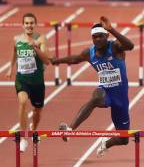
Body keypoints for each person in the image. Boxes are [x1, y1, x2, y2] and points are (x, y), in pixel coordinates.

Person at [50, 16, 134, 156]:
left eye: (100, 37)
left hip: (121, 96)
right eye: (94, 37)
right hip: (105, 90)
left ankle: (106, 143)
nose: (97, 40)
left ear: (106, 36)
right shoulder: (90, 53)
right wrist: (57, 60)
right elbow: (75, 59)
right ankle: (69, 130)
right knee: (95, 98)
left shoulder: (115, 47)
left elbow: (130, 46)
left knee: (124, 139)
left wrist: (112, 29)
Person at [6, 13, 50, 152]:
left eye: (31, 23)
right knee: (23, 102)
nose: (29, 25)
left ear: (34, 25)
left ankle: (33, 130)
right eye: (27, 23)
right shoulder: (16, 39)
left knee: (37, 111)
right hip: (22, 79)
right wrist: (10, 68)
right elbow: (14, 53)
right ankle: (24, 137)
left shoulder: (41, 39)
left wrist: (35, 47)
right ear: (23, 25)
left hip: (37, 82)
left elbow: (47, 60)